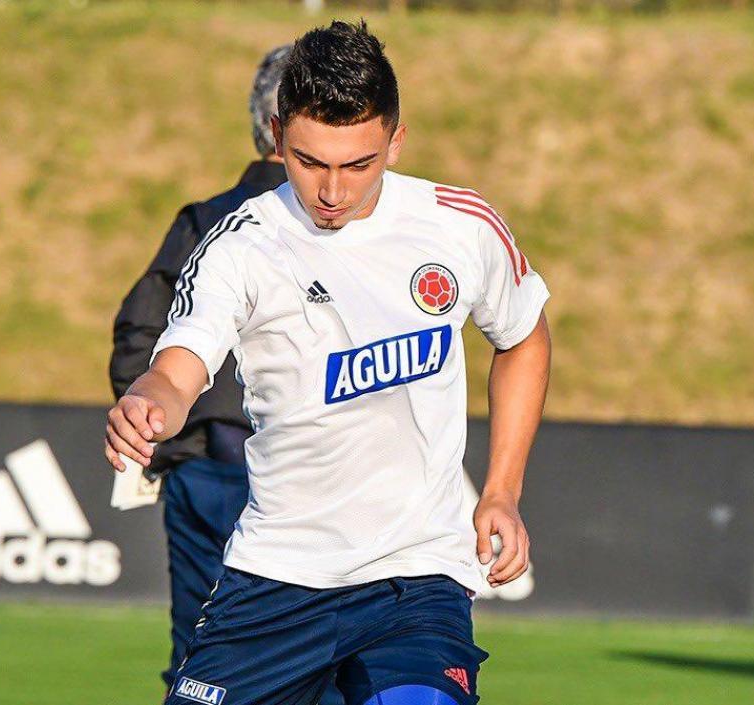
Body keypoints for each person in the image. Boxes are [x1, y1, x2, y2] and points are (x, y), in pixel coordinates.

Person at [105, 21, 551, 705]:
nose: (334, 191)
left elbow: (522, 335)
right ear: (277, 136)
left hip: (415, 579)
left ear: (395, 140)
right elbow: (180, 360)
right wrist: (152, 401)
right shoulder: (241, 244)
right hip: (274, 580)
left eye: (358, 164)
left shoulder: (461, 226)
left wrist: (501, 490)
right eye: (311, 162)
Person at [110, 46, 353, 704]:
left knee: (200, 657)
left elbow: (138, 334)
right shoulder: (340, 225)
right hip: (293, 471)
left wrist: (172, 443)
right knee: (322, 659)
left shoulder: (205, 219)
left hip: (212, 466)